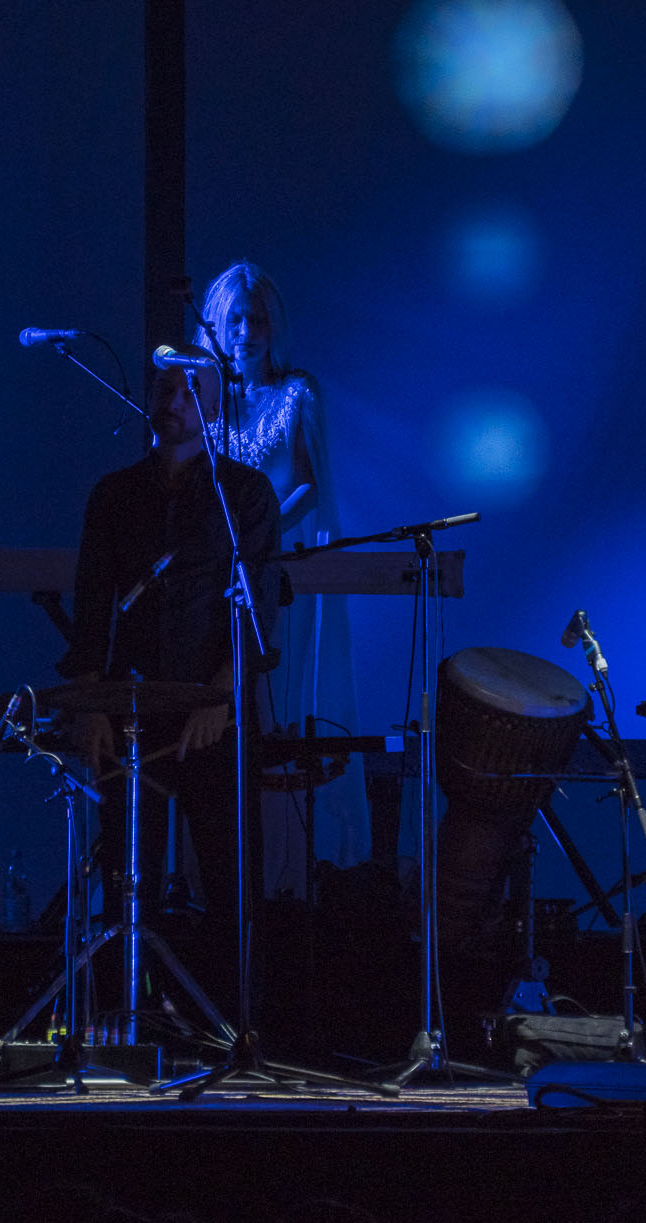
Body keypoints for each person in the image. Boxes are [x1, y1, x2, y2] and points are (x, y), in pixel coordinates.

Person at [58, 360, 280, 994]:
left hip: (216, 709)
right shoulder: (115, 493)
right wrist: (91, 706)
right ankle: (129, 1023)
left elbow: (256, 605)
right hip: (131, 712)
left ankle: (238, 1029)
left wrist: (221, 695)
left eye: (191, 391)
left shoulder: (244, 494)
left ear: (215, 406)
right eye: (166, 389)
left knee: (231, 880)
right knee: (130, 880)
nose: (175, 399)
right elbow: (92, 604)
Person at [198, 262, 371, 895]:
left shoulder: (297, 392)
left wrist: (260, 532)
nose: (245, 330)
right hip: (215, 574)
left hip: (278, 571)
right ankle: (221, 868)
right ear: (217, 324)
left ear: (275, 325)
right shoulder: (205, 396)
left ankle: (291, 872)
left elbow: (306, 483)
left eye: (257, 318)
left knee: (282, 707)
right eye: (235, 318)